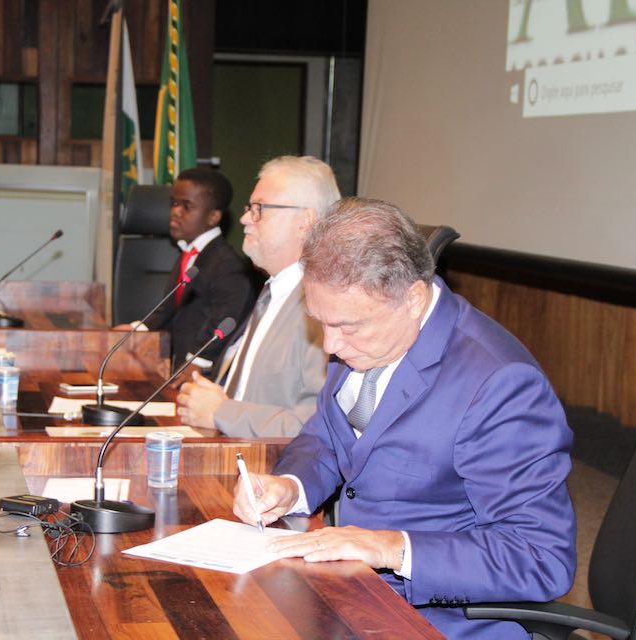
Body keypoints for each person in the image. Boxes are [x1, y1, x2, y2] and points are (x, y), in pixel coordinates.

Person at [232, 198, 576, 640]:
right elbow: (327, 437)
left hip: (439, 621)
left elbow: (540, 556)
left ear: (412, 299)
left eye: (347, 327)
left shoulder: (499, 384)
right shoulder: (367, 337)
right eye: (321, 322)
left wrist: (389, 546)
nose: (330, 346)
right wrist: (290, 486)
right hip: (352, 591)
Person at [176, 156, 340, 437]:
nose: (244, 219)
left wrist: (221, 413)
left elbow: (319, 426)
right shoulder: (272, 291)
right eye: (249, 208)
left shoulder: (324, 309)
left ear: (306, 221)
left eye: (259, 209)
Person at [119, 168, 254, 371]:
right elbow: (169, 308)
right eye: (174, 203)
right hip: (176, 364)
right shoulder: (189, 252)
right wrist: (137, 328)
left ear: (213, 217)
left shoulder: (227, 266)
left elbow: (223, 322)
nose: (176, 211)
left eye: (187, 206)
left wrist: (196, 362)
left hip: (201, 372)